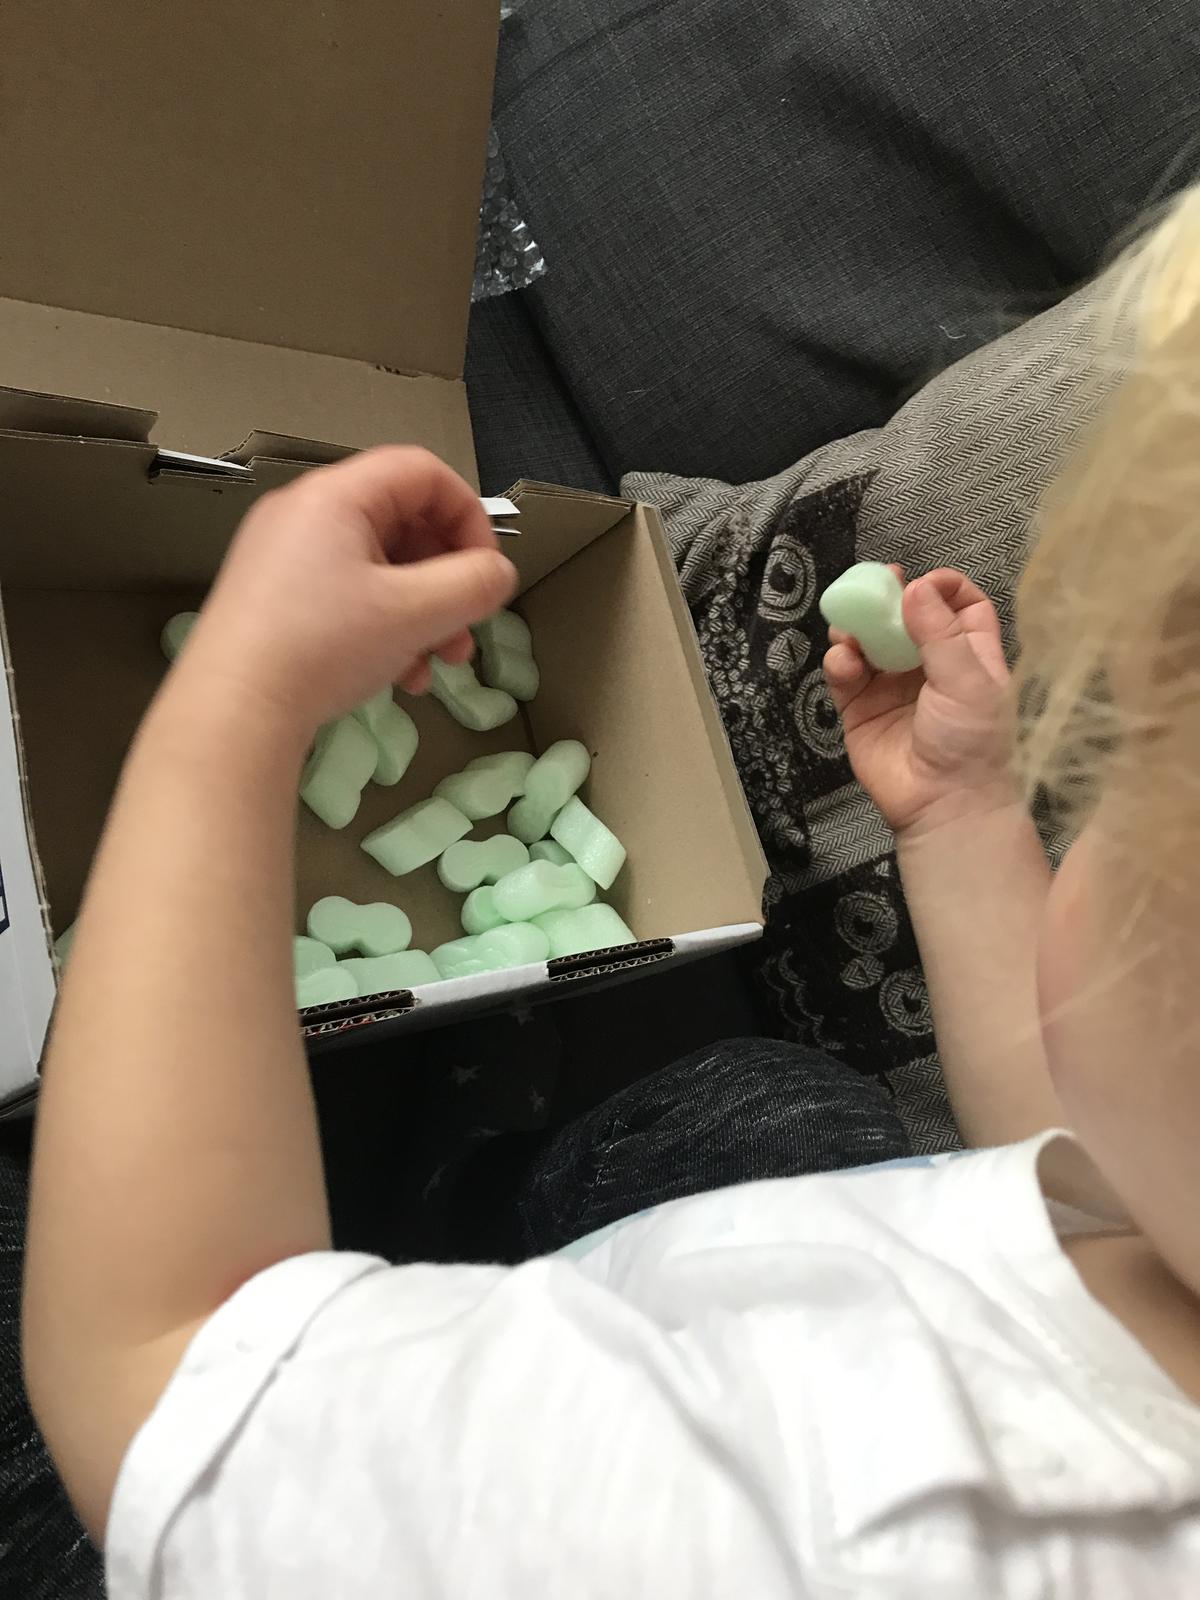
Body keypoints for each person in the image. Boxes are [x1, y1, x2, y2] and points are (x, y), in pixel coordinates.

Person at [22, 182, 1200, 1595]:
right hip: (793, 1258)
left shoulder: (795, 1517)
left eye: (1115, 800)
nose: (1089, 815)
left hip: (276, 1472)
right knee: (750, 1107)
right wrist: (968, 816)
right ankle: (469, 1152)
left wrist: (236, 706)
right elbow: (1088, 1148)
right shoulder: (1165, 1207)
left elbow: (164, 1375)